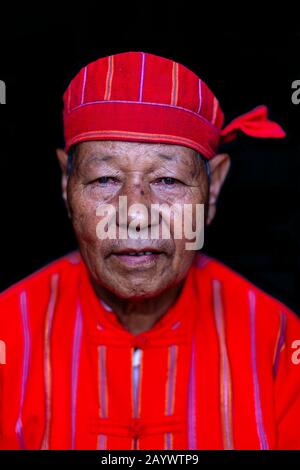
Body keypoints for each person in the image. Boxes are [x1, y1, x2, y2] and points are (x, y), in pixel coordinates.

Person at [0, 51, 299, 450]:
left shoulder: (279, 341)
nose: (136, 214)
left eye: (168, 180)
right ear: (65, 184)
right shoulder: (8, 332)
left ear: (212, 190)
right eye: (105, 178)